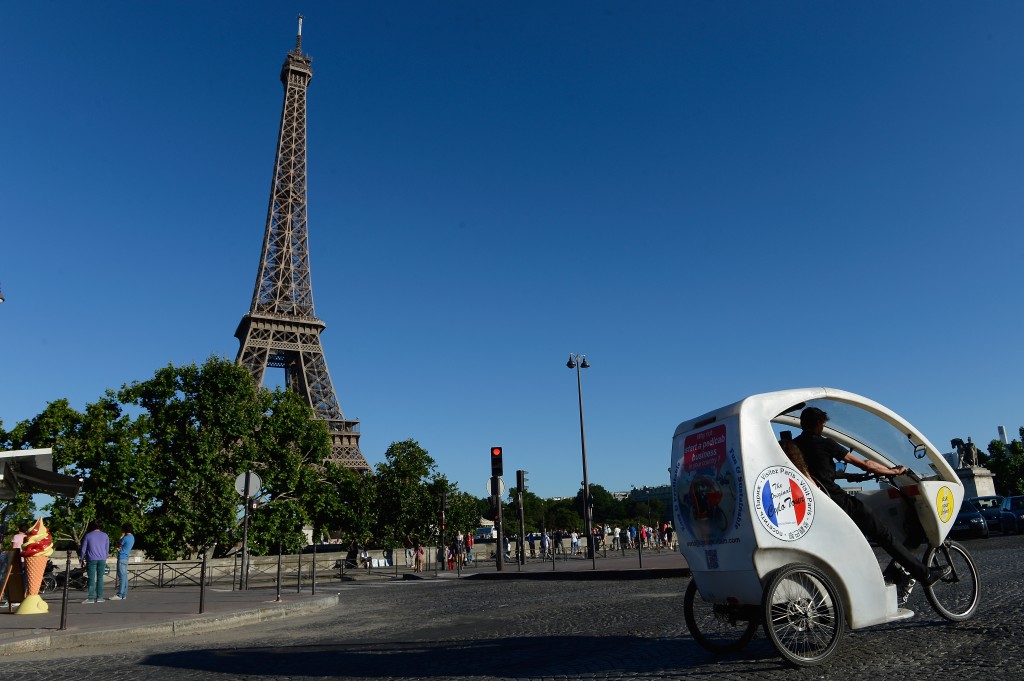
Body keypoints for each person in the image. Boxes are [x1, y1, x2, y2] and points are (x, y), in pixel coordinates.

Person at [793, 406, 950, 601]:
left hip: (817, 503)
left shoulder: (795, 446)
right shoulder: (826, 444)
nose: (824, 428)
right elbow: (865, 463)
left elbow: (820, 473)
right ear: (818, 424)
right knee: (884, 535)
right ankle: (924, 574)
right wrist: (895, 471)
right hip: (839, 501)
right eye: (823, 424)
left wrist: (852, 477)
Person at [79, 520, 110, 604]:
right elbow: (107, 549)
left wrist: (81, 559)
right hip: (102, 558)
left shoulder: (88, 535)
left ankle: (91, 598)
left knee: (91, 578)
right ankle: (100, 597)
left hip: (91, 558)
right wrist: (105, 557)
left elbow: (83, 550)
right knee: (100, 578)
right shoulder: (105, 535)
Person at [110, 523, 134, 601]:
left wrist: (121, 536)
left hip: (122, 557)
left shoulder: (125, 538)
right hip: (126, 557)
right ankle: (124, 594)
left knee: (121, 576)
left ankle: (120, 594)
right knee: (125, 576)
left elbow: (118, 544)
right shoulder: (132, 537)